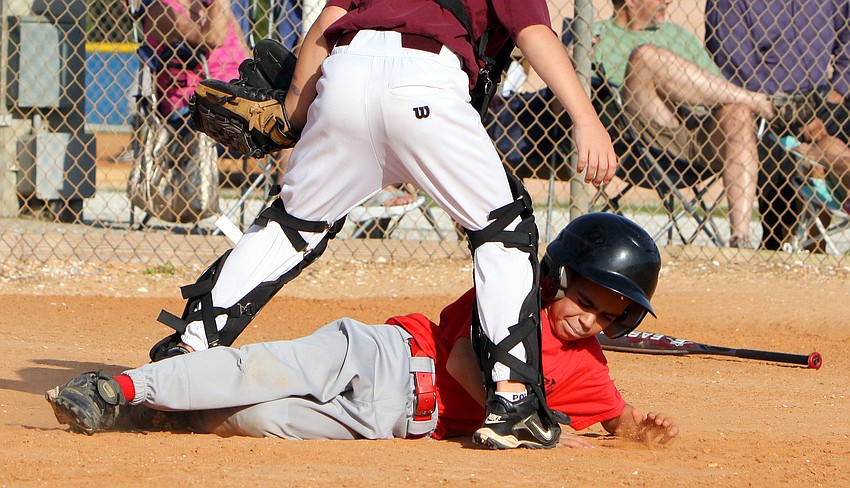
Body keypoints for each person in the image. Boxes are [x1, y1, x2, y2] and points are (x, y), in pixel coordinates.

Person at [145, 0, 618, 450]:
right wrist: (585, 117)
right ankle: (514, 403)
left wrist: (292, 112)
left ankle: (189, 350)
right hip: (426, 82)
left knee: (291, 226)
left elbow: (328, 23)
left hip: (346, 75)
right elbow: (533, 32)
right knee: (504, 228)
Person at [45, 213, 677, 447]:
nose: (590, 320)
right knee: (259, 369)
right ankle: (116, 391)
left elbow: (610, 413)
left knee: (258, 421)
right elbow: (462, 363)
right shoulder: (511, 297)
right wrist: (527, 421)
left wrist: (638, 430)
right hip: (383, 358)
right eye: (588, 301)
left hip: (396, 421)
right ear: (556, 276)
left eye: (610, 316)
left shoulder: (587, 361)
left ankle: (166, 414)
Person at [591, 0, 778, 249]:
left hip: (696, 138)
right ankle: (757, 101)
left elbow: (721, 92)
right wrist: (576, 61)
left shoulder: (679, 35)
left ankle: (740, 241)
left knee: (738, 113)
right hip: (638, 139)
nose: (668, 1)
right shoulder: (595, 36)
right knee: (645, 57)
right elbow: (563, 109)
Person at [705, 0, 850, 249]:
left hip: (824, 102)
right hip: (763, 106)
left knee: (831, 138)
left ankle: (816, 239)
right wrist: (789, 111)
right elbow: (736, 68)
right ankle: (781, 239)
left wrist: (836, 94)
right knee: (775, 147)